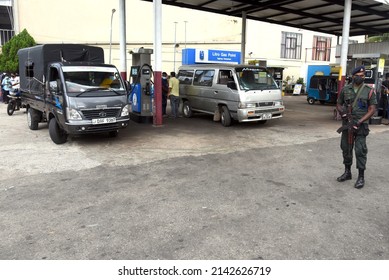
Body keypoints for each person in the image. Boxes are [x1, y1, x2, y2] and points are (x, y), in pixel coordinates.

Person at [336, 65, 377, 189]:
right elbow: (338, 103)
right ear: (353, 77)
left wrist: (359, 122)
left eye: (362, 76)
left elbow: (372, 109)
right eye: (357, 76)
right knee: (346, 148)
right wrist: (342, 112)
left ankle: (361, 177)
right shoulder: (346, 89)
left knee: (360, 150)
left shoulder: (369, 91)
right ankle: (347, 172)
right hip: (347, 124)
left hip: (360, 125)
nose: (360, 78)